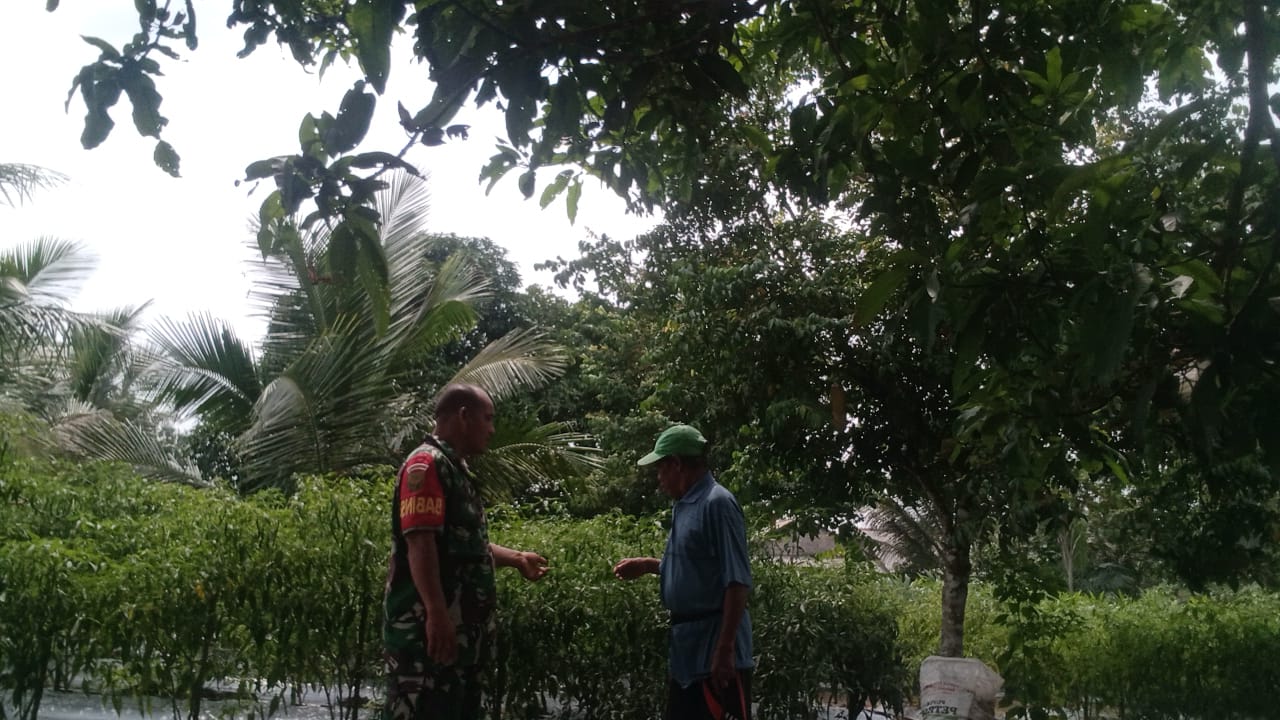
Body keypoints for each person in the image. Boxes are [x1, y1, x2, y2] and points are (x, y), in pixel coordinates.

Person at [382, 383, 549, 720]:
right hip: (427, 642)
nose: (492, 429)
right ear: (462, 416)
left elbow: (464, 546)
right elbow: (421, 542)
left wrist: (516, 559)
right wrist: (437, 613)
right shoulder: (427, 465)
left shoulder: (455, 469)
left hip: (460, 642)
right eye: (487, 419)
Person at [613, 424, 754, 720]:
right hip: (687, 657)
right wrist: (651, 566)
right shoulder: (685, 504)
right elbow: (698, 570)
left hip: (714, 658)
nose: (658, 478)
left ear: (677, 464)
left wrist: (725, 649)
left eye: (661, 468)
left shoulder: (717, 504)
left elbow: (737, 581)